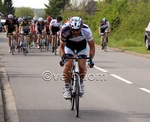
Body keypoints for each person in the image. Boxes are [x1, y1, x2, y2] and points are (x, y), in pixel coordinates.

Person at [59, 16, 95, 99]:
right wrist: (63, 58)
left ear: (81, 27)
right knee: (68, 64)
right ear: (70, 28)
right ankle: (66, 87)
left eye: (77, 30)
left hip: (81, 46)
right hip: (69, 46)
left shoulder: (86, 30)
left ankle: (81, 83)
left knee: (82, 66)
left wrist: (91, 59)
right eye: (73, 30)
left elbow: (92, 46)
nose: (75, 32)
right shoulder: (65, 30)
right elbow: (61, 47)